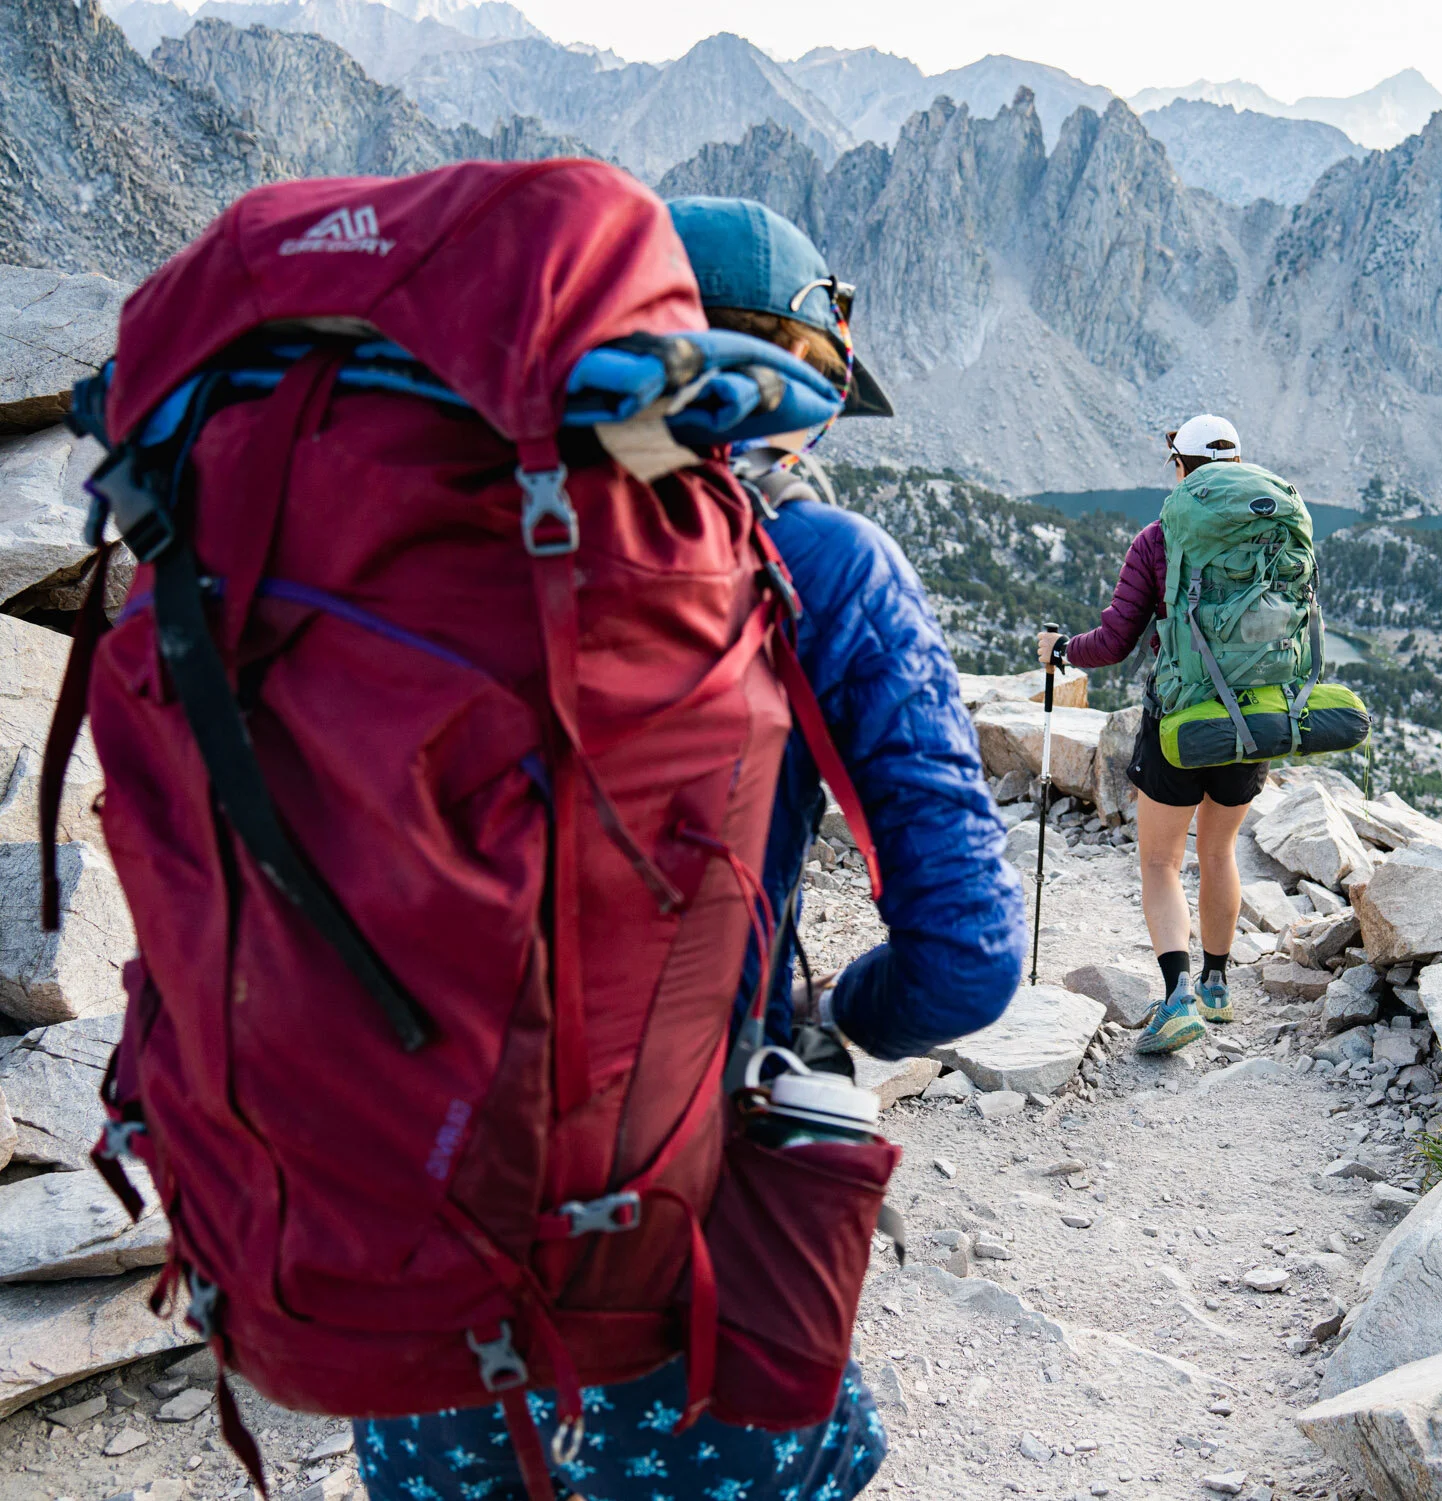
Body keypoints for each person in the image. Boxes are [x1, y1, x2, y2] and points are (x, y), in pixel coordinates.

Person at [354, 198, 1024, 1501]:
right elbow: (969, 959)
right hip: (680, 1237)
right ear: (791, 387)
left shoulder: (408, 541)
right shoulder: (820, 564)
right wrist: (835, 1014)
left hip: (401, 1225)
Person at [1036, 414, 1270, 1056]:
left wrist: (1061, 651)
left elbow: (1113, 644)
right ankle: (1219, 986)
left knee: (1161, 861)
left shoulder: (1159, 538)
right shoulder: (1272, 535)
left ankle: (1179, 998)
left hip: (1178, 720)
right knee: (1219, 852)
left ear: (1181, 468)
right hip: (1253, 720)